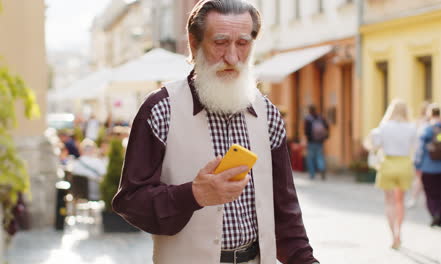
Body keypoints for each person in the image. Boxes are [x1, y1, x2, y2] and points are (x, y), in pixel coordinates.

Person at [112, 1, 319, 264]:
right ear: (194, 42)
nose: (232, 57)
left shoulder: (267, 113)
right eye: (220, 42)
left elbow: (286, 210)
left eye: (242, 44)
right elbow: (129, 202)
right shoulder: (160, 109)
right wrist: (193, 195)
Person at [369, 99, 417, 249]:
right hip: (404, 164)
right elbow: (415, 149)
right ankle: (399, 233)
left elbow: (375, 145)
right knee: (400, 202)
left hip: (388, 164)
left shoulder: (384, 127)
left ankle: (393, 237)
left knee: (389, 202)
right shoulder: (411, 127)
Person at [415, 104, 441, 227]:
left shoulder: (426, 129)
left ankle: (434, 213)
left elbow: (420, 149)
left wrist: (417, 165)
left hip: (429, 168)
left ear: (429, 114)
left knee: (430, 193)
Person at [407, 102, 430, 208]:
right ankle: (416, 198)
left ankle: (417, 199)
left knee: (421, 178)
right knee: (421, 178)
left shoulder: (420, 122)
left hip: (424, 154)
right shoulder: (421, 122)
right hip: (424, 155)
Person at [304, 104, 329, 180]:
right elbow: (327, 127)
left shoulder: (308, 119)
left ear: (309, 110)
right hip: (320, 141)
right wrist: (324, 137)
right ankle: (322, 168)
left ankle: (312, 174)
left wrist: (308, 138)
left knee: (310, 158)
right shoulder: (321, 118)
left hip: (311, 141)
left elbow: (306, 131)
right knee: (320, 156)